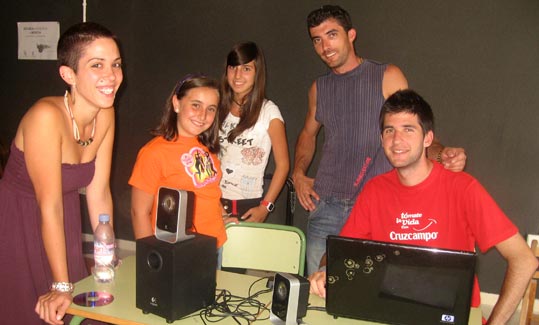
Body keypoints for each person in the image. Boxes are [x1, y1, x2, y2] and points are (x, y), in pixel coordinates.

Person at [308, 89, 538, 324]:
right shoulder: (374, 190)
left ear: (428, 138)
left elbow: (524, 260)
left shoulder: (463, 188)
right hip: (390, 311)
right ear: (381, 139)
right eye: (389, 131)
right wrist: (327, 271)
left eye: (408, 129)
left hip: (450, 315)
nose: (397, 140)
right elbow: (339, 255)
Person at [292, 4, 468, 275]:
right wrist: (299, 173)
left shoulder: (386, 76)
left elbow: (413, 127)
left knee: (373, 290)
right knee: (320, 290)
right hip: (326, 205)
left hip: (378, 203)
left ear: (351, 34)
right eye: (317, 39)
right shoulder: (319, 88)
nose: (325, 45)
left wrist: (443, 154)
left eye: (331, 34)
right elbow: (307, 134)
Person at [0, 22, 123, 325]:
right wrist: (61, 284)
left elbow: (99, 193)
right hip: (19, 224)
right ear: (69, 75)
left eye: (116, 64)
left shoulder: (105, 114)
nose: (111, 76)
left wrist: (108, 256)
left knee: (86, 310)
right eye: (97, 65)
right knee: (36, 309)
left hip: (62, 222)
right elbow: (48, 205)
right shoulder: (45, 117)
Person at [129, 74, 227, 263]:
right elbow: (138, 212)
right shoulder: (154, 152)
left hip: (216, 245)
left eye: (211, 109)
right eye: (196, 105)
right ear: (176, 103)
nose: (203, 115)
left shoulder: (207, 148)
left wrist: (225, 216)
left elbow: (207, 192)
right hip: (178, 251)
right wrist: (150, 259)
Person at [218, 41, 289, 223]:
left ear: (257, 73)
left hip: (248, 208)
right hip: (212, 202)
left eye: (246, 69)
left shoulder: (269, 111)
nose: (238, 75)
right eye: (233, 67)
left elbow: (283, 165)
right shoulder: (216, 107)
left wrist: (265, 207)